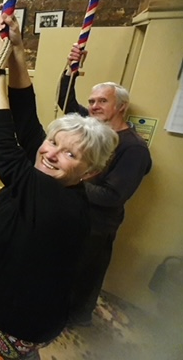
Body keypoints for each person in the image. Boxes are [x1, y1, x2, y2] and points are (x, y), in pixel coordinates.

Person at [0, 13, 118, 360]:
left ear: (88, 173)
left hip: (22, 319)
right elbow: (27, 126)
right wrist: (18, 54)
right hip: (24, 309)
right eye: (54, 142)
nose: (51, 153)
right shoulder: (53, 177)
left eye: (70, 153)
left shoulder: (61, 203)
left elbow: (3, 151)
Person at [58, 45, 152, 326]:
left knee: (85, 274)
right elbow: (66, 101)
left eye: (102, 101)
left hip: (98, 225)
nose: (94, 106)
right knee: (63, 267)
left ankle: (76, 319)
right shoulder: (92, 128)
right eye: (92, 101)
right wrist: (69, 68)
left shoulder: (134, 148)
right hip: (76, 213)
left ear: (121, 106)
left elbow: (112, 195)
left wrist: (67, 181)